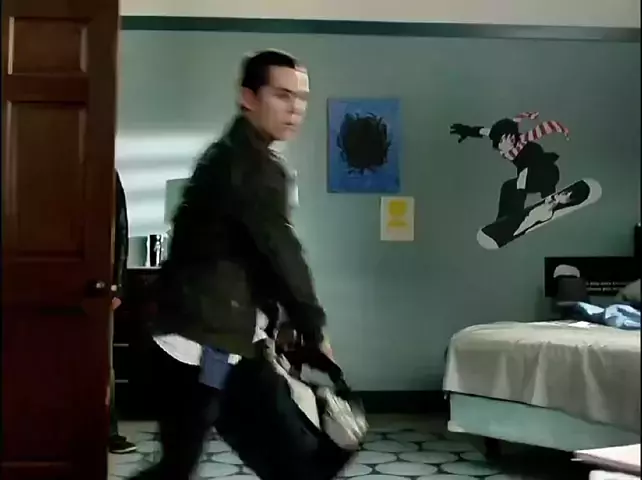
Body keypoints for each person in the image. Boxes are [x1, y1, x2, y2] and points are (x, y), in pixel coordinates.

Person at [131, 49, 331, 480]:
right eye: (282, 95)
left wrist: (287, 320)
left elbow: (256, 253)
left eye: (301, 98)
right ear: (248, 97)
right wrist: (313, 325)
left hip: (216, 335)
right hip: (205, 340)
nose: (295, 108)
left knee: (184, 465)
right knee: (292, 465)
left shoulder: (233, 155)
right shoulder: (247, 165)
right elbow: (280, 251)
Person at [109, 170, 137, 454]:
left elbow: (121, 230)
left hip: (99, 286)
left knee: (102, 363)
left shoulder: (106, 172)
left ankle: (109, 431)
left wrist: (118, 286)